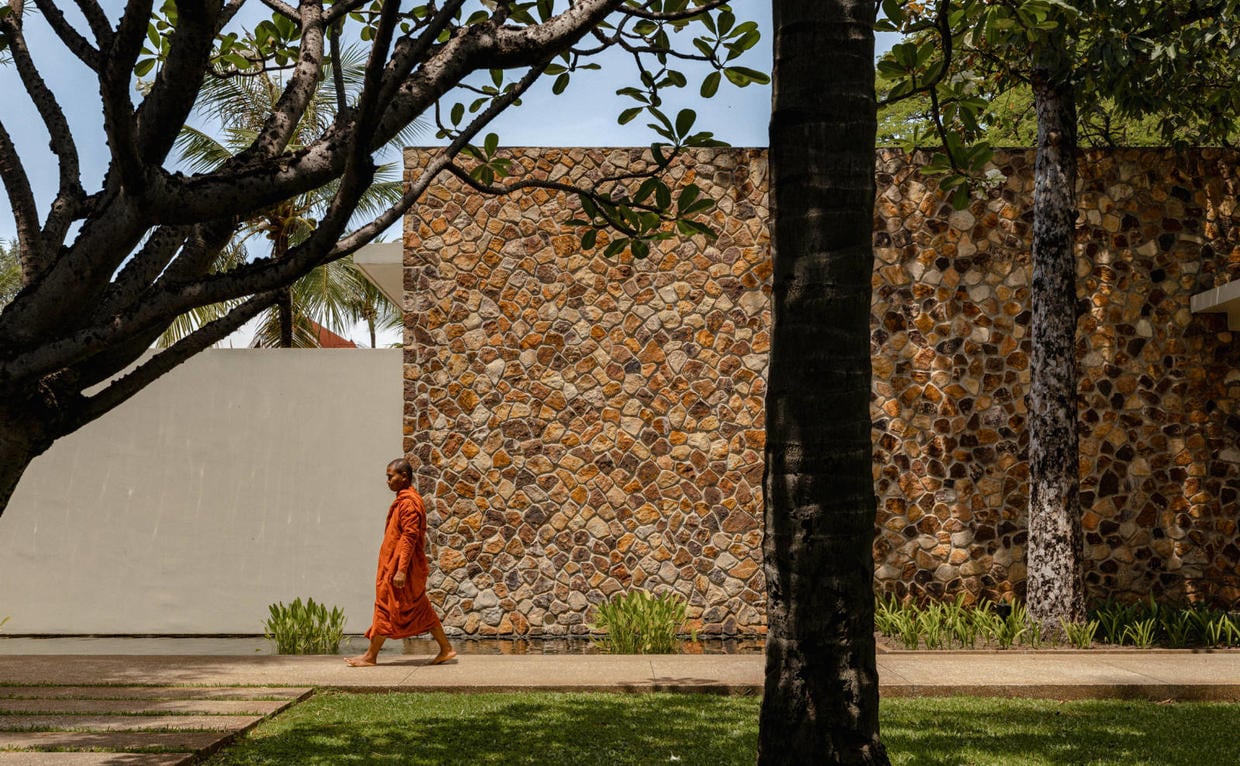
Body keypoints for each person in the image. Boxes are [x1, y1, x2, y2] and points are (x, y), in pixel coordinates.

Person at [346, 458, 457, 667]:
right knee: (419, 607)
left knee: (385, 607)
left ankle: (370, 657)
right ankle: (446, 648)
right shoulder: (405, 500)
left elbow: (409, 537)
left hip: (400, 569)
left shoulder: (408, 504)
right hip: (396, 566)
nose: (388, 481)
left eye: (391, 476)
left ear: (403, 477)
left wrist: (401, 570)